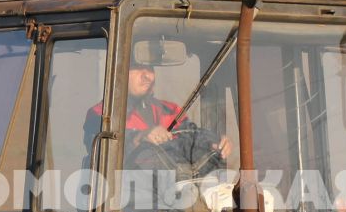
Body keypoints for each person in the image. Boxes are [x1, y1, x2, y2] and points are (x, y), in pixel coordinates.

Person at [83, 60, 233, 182]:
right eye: (137, 68)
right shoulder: (102, 114)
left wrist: (213, 142)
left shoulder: (169, 110)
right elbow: (101, 152)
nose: (147, 76)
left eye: (149, 69)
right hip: (127, 202)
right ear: (119, 73)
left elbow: (192, 137)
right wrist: (139, 138)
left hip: (171, 196)